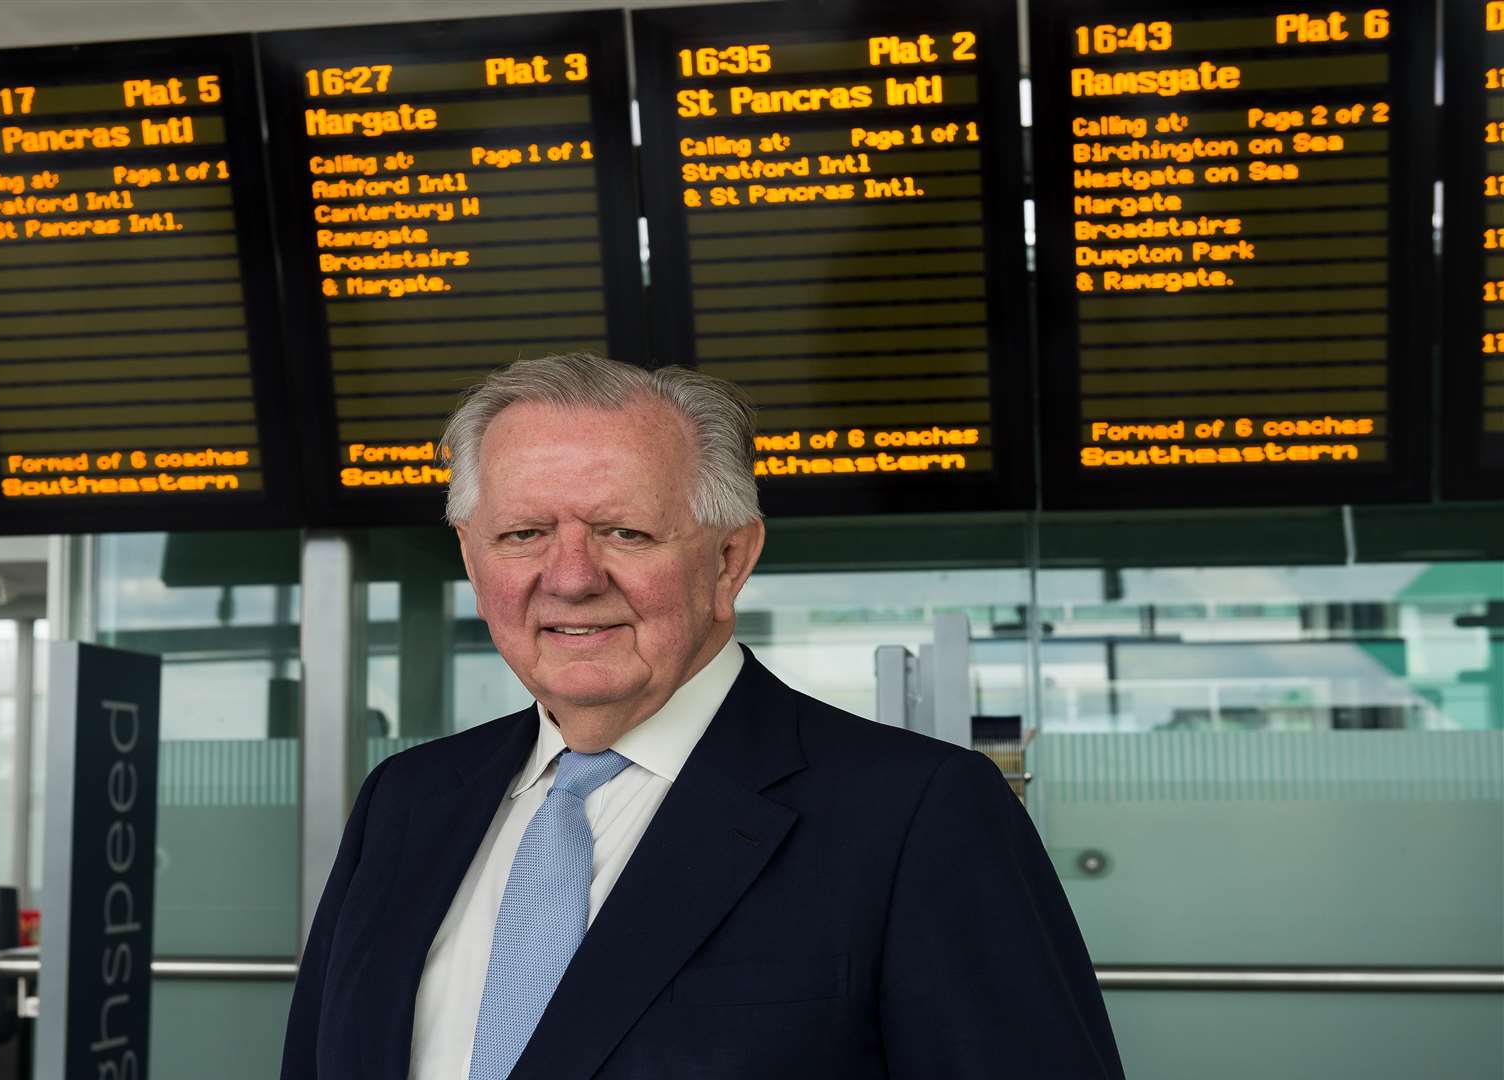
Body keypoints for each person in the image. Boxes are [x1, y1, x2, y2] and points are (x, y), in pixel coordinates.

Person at [282, 353, 1123, 1079]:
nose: (570, 577)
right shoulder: (405, 801)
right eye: (525, 533)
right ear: (472, 556)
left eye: (624, 533)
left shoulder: (919, 813)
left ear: (730, 559)